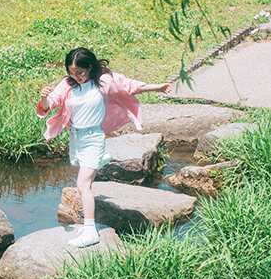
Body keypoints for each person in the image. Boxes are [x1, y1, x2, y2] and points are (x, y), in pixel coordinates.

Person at [36, 47, 172, 247]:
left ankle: (90, 231)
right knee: (77, 167)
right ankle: (100, 159)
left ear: (90, 68)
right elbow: (51, 104)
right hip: (76, 139)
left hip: (94, 138)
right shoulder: (67, 84)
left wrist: (158, 88)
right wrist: (44, 98)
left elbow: (129, 87)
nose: (77, 77)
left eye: (80, 73)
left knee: (83, 185)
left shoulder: (103, 83)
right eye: (72, 73)